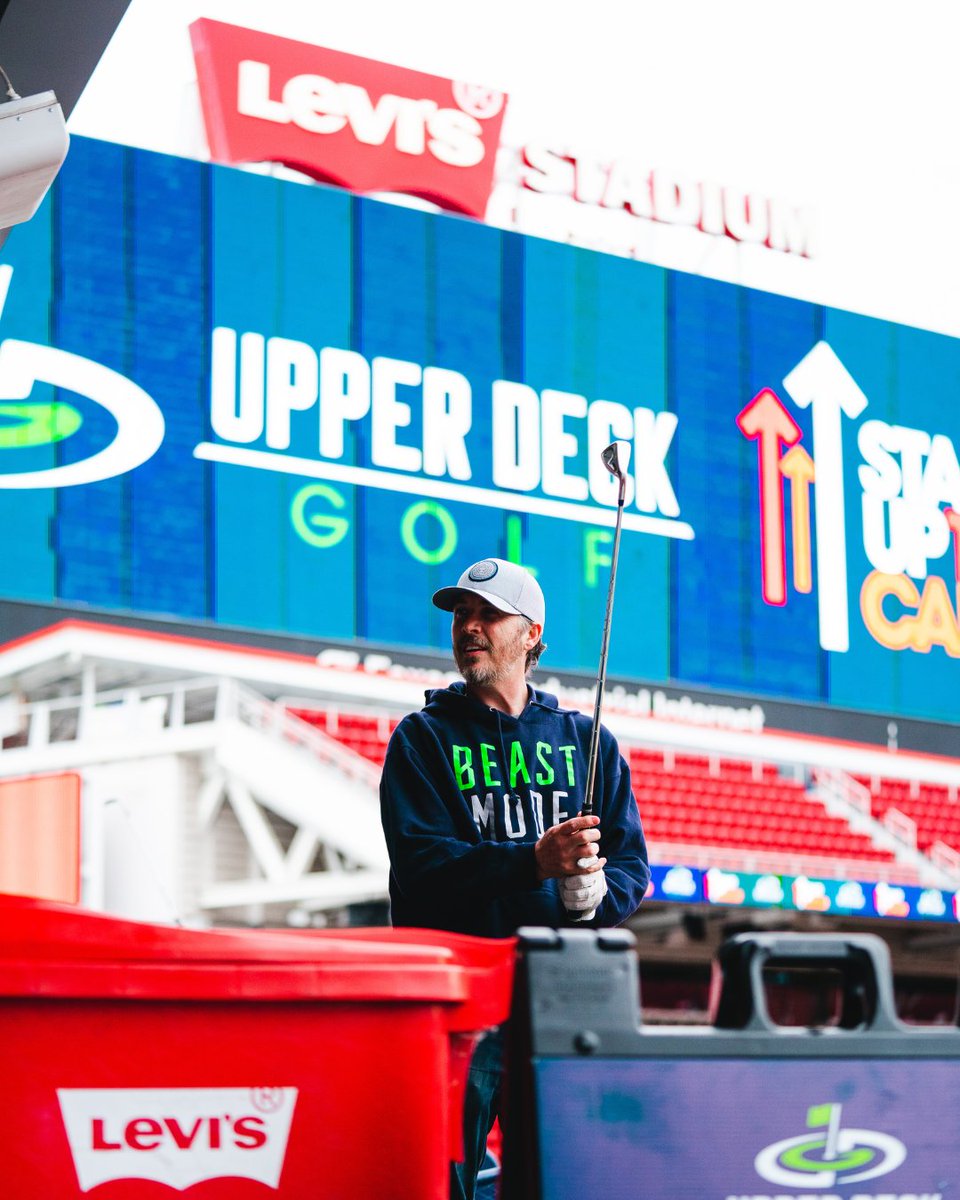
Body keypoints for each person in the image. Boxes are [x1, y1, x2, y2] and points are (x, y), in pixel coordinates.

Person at [378, 556, 649, 1200]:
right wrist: (533, 862)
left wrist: (598, 898)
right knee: (444, 1179)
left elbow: (632, 866)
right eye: (461, 614)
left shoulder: (589, 742)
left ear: (530, 635)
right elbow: (421, 868)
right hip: (459, 1000)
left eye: (488, 614)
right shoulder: (421, 739)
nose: (469, 626)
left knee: (568, 1173)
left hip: (560, 994)